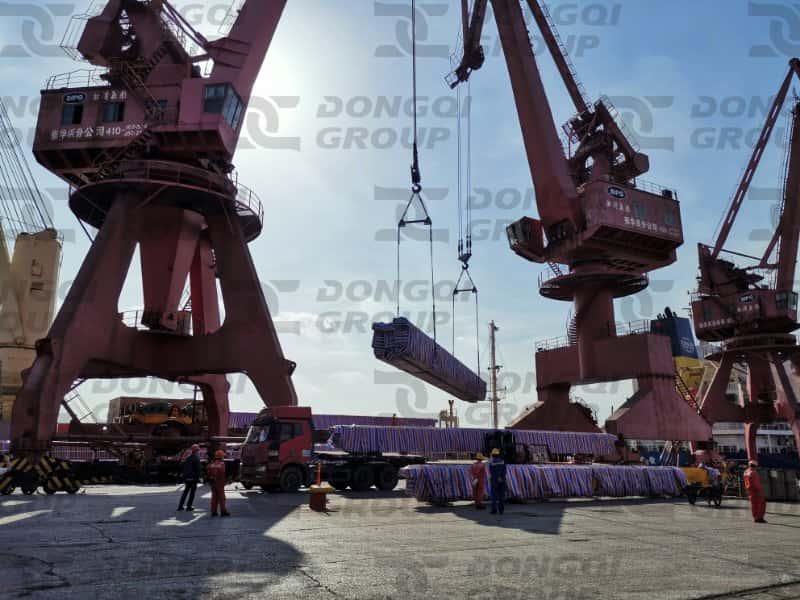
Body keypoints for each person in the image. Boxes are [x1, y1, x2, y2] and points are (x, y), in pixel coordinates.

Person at [177, 444, 201, 511]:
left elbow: (182, 466)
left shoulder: (188, 458)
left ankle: (180, 506)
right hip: (193, 478)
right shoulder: (196, 458)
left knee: (185, 491)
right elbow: (198, 469)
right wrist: (199, 477)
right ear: (196, 451)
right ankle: (189, 506)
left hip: (187, 478)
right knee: (192, 493)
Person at [207, 450, 230, 517]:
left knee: (214, 497)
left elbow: (208, 472)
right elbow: (223, 472)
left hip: (213, 483)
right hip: (219, 483)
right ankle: (223, 512)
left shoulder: (211, 464)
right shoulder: (222, 464)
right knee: (222, 498)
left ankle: (213, 512)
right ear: (221, 457)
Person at [488, 448, 507, 515]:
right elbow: (505, 471)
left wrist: (496, 477)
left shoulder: (491, 462)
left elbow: (491, 472)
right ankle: (501, 510)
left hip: (494, 480)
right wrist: (501, 477)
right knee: (501, 495)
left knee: (494, 496)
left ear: (493, 455)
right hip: (502, 480)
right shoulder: (503, 461)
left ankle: (494, 510)